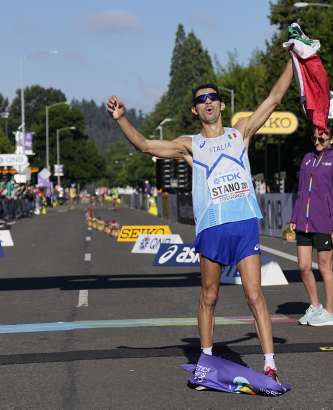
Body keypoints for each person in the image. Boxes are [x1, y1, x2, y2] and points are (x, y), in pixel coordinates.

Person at [107, 55, 293, 383]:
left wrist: (295, 57)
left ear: (221, 105)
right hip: (211, 227)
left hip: (244, 222)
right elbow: (145, 145)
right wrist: (122, 119)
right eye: (200, 99)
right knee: (209, 295)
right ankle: (205, 359)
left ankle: (269, 363)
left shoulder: (240, 133)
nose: (207, 102)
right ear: (195, 110)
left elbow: (275, 98)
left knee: (254, 295)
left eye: (212, 97)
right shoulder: (188, 145)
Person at [289, 124, 333, 326]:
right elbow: (300, 192)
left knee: (324, 267)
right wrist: (295, 216)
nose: (317, 142)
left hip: (325, 222)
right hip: (303, 223)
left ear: (331, 140)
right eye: (314, 138)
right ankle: (315, 307)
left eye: (321, 139)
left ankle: (330, 312)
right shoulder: (307, 158)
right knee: (304, 266)